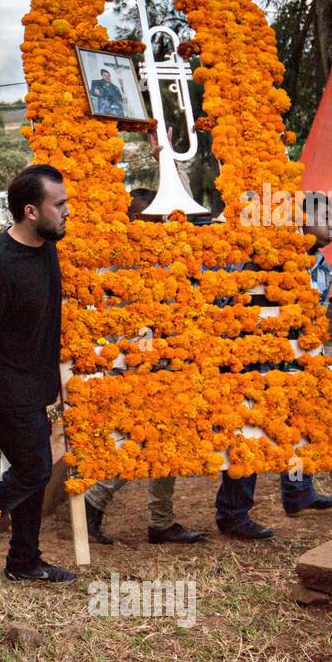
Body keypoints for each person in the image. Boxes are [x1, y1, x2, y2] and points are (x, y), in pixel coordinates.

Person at [0, 164, 73, 583]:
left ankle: (24, 561)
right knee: (34, 470)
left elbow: (41, 326)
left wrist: (53, 379)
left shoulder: (45, 246)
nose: (66, 211)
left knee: (33, 475)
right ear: (30, 210)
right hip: (5, 391)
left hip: (35, 387)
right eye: (58, 204)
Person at [83, 188, 205, 547]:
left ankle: (160, 521)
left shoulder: (155, 252)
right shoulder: (121, 255)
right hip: (135, 363)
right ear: (135, 219)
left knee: (166, 441)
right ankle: (95, 500)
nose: (161, 222)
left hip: (158, 360)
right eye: (154, 217)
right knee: (142, 439)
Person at [214, 193, 332, 539]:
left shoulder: (323, 268)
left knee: (298, 424)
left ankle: (298, 493)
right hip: (254, 361)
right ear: (300, 220)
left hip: (296, 359)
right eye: (325, 217)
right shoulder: (268, 261)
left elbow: (319, 319)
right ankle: (233, 515)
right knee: (249, 434)